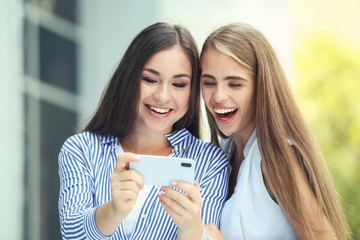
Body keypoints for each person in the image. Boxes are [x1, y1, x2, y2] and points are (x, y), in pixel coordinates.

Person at [58, 22, 229, 240]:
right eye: (150, 79)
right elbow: (72, 233)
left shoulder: (210, 162)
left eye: (178, 84)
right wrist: (114, 210)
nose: (162, 96)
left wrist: (190, 227)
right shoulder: (81, 150)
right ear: (129, 78)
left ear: (192, 91)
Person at [200, 23, 351, 240]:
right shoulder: (224, 155)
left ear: (262, 87)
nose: (218, 96)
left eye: (235, 84)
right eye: (209, 82)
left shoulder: (277, 158)